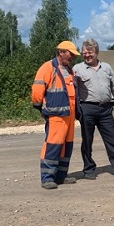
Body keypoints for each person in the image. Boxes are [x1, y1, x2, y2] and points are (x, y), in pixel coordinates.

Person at [72, 38, 114, 179]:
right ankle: (88, 169)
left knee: (113, 139)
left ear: (97, 52)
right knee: (87, 140)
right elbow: (71, 90)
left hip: (105, 109)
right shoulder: (77, 69)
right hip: (87, 108)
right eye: (84, 53)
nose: (87, 55)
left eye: (90, 52)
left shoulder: (106, 67)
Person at [31, 41, 80, 190]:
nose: (72, 57)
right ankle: (47, 178)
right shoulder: (47, 68)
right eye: (70, 53)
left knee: (66, 146)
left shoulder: (68, 69)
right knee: (52, 145)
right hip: (56, 115)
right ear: (61, 52)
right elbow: (37, 91)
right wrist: (41, 108)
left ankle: (61, 176)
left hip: (69, 115)